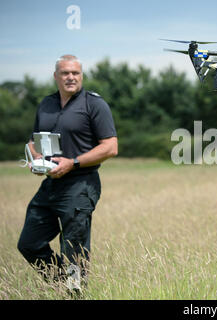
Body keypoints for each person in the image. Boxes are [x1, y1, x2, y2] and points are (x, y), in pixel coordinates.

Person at [17, 55, 118, 292]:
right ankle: (64, 286)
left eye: (75, 73)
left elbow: (110, 147)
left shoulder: (94, 104)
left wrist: (72, 162)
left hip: (80, 184)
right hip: (50, 184)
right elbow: (34, 141)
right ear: (56, 76)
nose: (71, 77)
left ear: (81, 75)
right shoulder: (46, 104)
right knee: (29, 244)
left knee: (73, 249)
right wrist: (36, 159)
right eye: (65, 73)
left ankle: (75, 294)